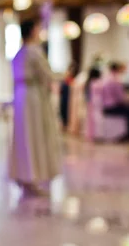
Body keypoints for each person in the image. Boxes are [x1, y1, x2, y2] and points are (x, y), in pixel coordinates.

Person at [10, 18, 62, 195]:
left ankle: (23, 174)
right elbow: (47, 74)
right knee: (35, 136)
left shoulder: (19, 53)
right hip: (33, 98)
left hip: (20, 96)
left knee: (24, 136)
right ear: (32, 31)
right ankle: (32, 176)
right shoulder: (34, 51)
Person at [101, 61, 129, 142]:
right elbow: (120, 98)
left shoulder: (106, 78)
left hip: (105, 106)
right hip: (112, 107)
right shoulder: (115, 80)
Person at [59, 62, 78, 129]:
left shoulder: (74, 78)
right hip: (65, 94)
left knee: (68, 109)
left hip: (70, 94)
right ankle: (64, 123)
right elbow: (62, 85)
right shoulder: (66, 75)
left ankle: (66, 124)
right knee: (63, 108)